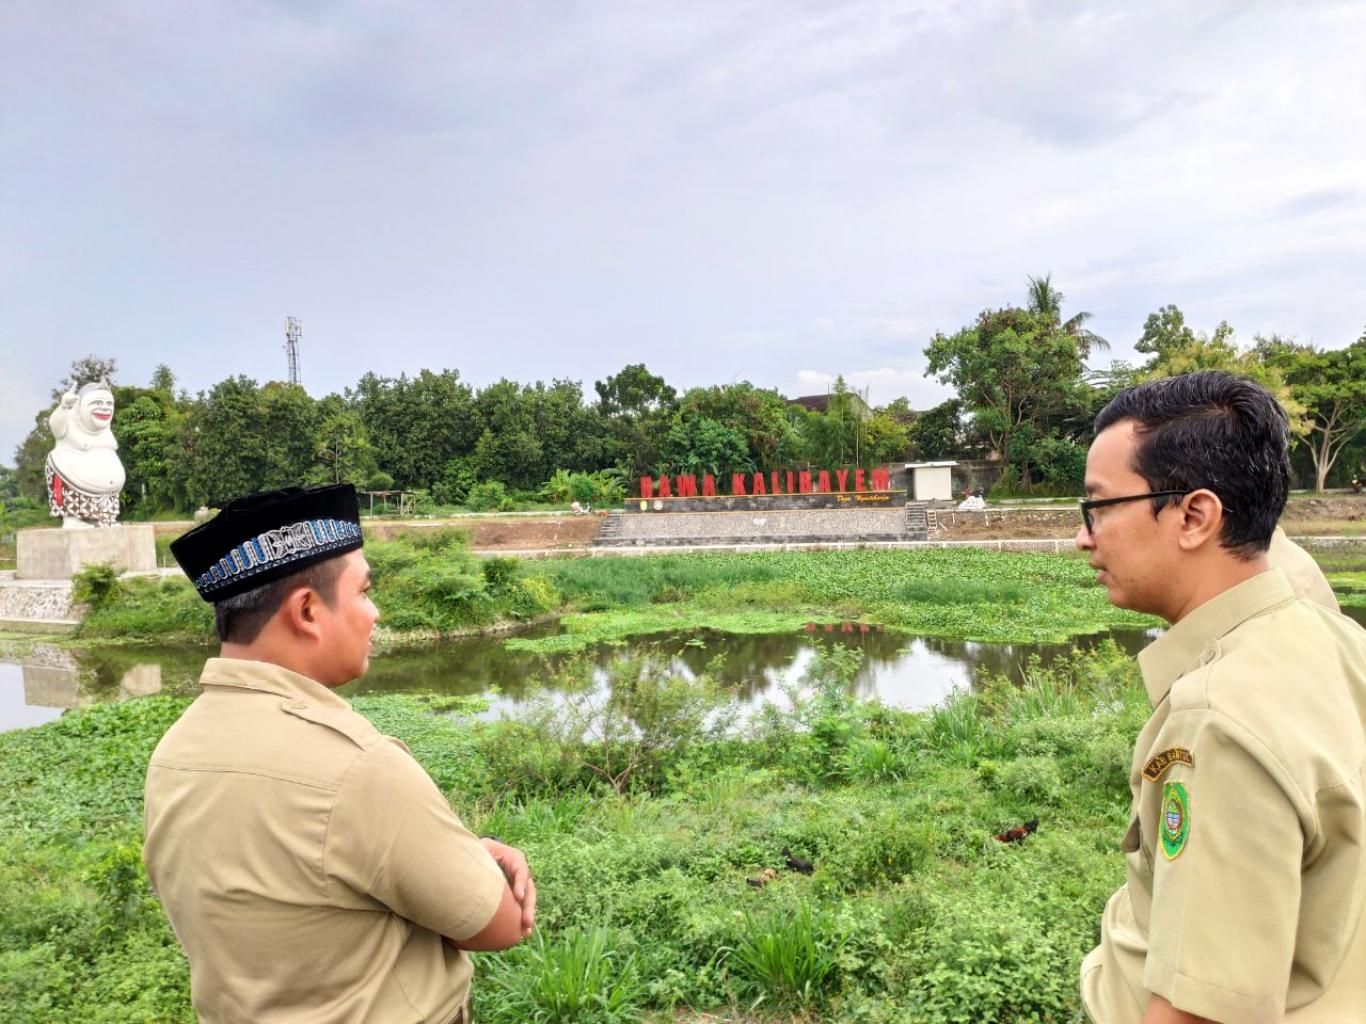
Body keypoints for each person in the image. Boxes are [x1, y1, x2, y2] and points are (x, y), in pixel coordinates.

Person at [143, 484, 534, 1023]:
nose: (375, 613)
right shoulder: (356, 768)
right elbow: (501, 925)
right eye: (364, 592)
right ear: (307, 610)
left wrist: (457, 855)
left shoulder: (172, 754)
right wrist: (481, 865)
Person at [1075, 372, 1366, 1024]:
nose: (1084, 536)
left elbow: (1202, 1011)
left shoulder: (1219, 721)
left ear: (1194, 517)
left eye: (1099, 507)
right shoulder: (1333, 637)